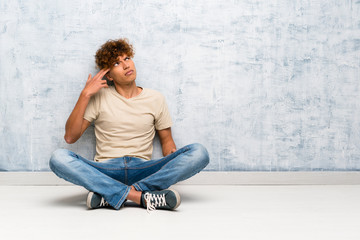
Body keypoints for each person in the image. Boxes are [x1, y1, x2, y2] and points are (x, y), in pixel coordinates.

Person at [49, 38, 209, 212]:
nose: (126, 65)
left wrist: (172, 158)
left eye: (127, 59)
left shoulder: (155, 98)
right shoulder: (99, 97)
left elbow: (167, 141)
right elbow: (70, 137)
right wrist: (85, 94)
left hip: (143, 168)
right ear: (108, 75)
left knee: (199, 152)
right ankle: (140, 197)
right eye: (117, 63)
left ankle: (111, 194)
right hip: (106, 170)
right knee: (58, 158)